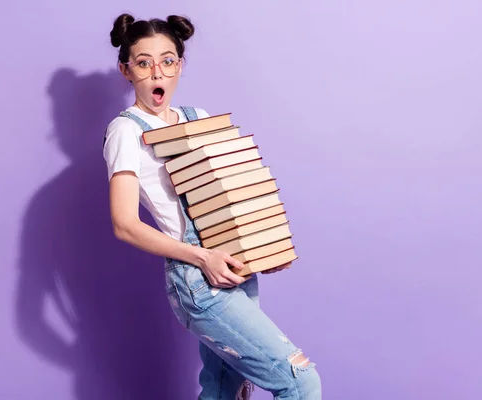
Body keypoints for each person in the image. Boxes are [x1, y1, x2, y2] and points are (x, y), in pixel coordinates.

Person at [102, 12, 322, 399]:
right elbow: (124, 224)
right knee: (300, 381)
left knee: (224, 392)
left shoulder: (197, 119)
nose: (157, 73)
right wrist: (202, 258)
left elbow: (230, 193)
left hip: (235, 268)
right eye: (143, 62)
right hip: (199, 280)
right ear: (126, 70)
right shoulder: (127, 130)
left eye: (167, 61)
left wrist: (263, 249)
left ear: (180, 66)